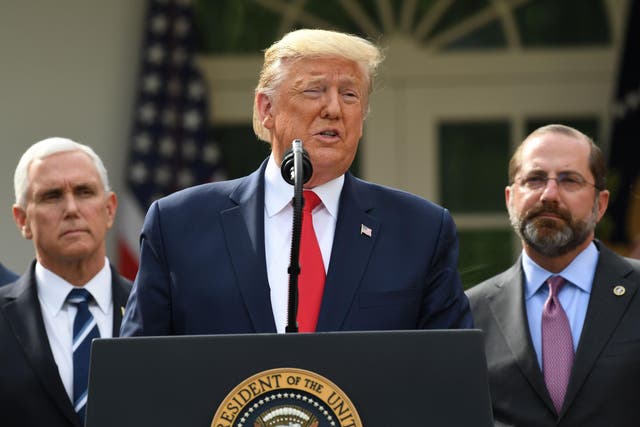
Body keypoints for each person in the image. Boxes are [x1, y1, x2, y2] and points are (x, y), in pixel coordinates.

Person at [121, 28, 471, 337]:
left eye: (350, 95)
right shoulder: (179, 224)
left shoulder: (420, 230)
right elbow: (137, 370)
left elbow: (450, 373)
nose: (334, 108)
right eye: (314, 91)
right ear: (265, 109)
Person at [467, 124, 640, 426]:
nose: (549, 194)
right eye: (534, 179)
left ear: (600, 205)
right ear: (510, 199)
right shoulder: (470, 312)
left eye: (569, 180)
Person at [0, 137, 132, 427]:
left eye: (84, 192)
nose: (71, 208)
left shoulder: (155, 309)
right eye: (52, 196)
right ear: (22, 220)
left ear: (110, 209)